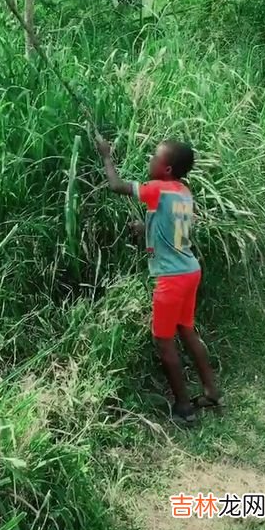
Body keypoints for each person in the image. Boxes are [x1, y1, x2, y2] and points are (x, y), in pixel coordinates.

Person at [97, 136, 221, 425]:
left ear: (166, 169)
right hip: (190, 270)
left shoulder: (157, 189)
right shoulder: (183, 192)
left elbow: (116, 186)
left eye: (154, 156)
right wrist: (147, 228)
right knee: (187, 330)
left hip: (172, 279)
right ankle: (212, 391)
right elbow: (174, 227)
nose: (149, 160)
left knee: (164, 342)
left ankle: (183, 407)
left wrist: (106, 155)